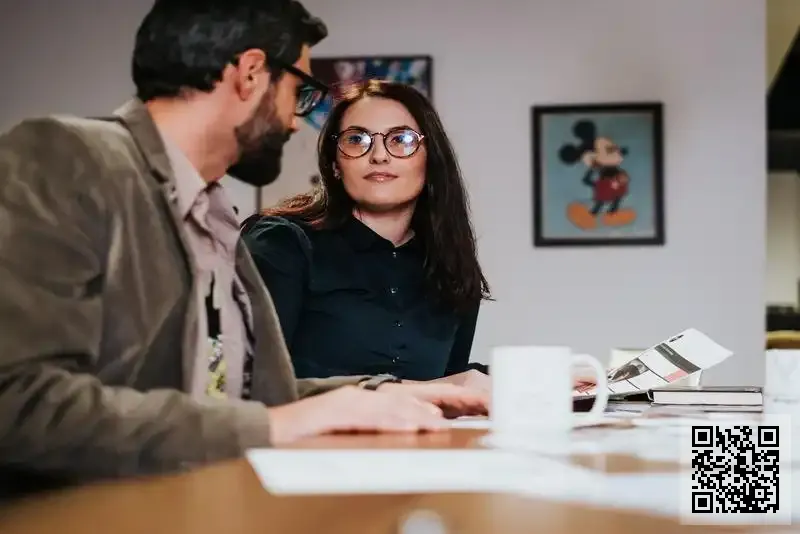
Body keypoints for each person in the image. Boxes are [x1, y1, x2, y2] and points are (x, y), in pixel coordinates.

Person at [0, 0, 487, 498]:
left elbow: (242, 395)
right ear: (251, 73)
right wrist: (279, 426)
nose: (295, 123)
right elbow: (17, 402)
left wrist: (384, 393)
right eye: (298, 92)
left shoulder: (213, 214)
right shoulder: (63, 157)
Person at [241, 80, 492, 391]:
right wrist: (422, 390)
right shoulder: (281, 243)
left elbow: (448, 392)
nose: (379, 155)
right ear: (335, 164)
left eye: (401, 139)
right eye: (357, 139)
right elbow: (253, 383)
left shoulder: (450, 265)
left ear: (430, 161)